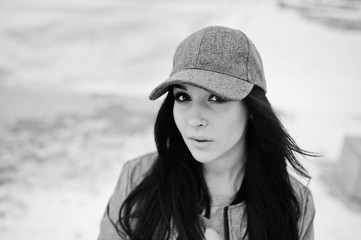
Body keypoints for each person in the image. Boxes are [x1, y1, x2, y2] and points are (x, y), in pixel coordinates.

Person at [98, 25, 316, 240]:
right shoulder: (136, 178)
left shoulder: (294, 202)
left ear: (251, 108)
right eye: (183, 97)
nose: (194, 119)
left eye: (216, 98)